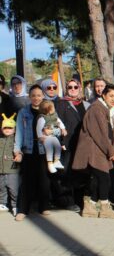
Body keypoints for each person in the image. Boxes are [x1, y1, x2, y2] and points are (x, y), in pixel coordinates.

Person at [72, 84, 114, 219]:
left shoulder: (110, 110)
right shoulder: (96, 109)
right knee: (104, 178)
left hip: (102, 149)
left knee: (97, 179)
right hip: (93, 149)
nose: (113, 99)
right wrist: (110, 150)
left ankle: (89, 207)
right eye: (111, 96)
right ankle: (104, 209)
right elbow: (100, 134)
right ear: (104, 95)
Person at [13, 85, 52, 221]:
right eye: (33, 95)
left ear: (43, 96)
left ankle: (44, 206)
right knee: (26, 181)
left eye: (39, 95)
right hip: (28, 150)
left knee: (44, 180)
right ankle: (23, 210)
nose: (36, 98)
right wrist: (17, 150)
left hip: (44, 150)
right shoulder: (23, 112)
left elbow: (56, 128)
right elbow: (19, 132)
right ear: (29, 97)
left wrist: (52, 132)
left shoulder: (48, 110)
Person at [54, 79, 90, 211]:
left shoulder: (86, 104)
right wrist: (61, 142)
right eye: (70, 87)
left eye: (76, 87)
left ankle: (80, 200)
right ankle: (67, 201)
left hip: (83, 144)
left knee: (81, 172)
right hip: (68, 144)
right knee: (67, 173)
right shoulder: (61, 103)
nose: (73, 89)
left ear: (80, 88)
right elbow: (57, 124)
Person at [36, 100, 67, 173]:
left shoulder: (55, 116)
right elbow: (38, 128)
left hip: (53, 136)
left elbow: (60, 122)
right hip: (46, 137)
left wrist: (63, 129)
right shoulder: (42, 118)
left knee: (58, 146)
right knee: (49, 149)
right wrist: (40, 137)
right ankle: (50, 163)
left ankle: (56, 161)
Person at [0, 113, 19, 216]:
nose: (7, 130)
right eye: (5, 128)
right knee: (1, 188)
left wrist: (19, 156)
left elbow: (19, 151)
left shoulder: (16, 140)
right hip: (1, 169)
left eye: (10, 128)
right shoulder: (0, 140)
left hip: (12, 169)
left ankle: (15, 205)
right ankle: (3, 204)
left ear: (14, 129)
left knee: (13, 189)